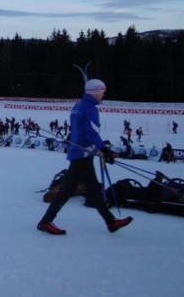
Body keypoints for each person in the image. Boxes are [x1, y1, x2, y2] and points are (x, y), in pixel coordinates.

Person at [37, 79, 133, 235]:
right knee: (73, 190)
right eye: (102, 91)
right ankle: (46, 222)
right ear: (96, 92)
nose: (103, 94)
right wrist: (104, 150)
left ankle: (110, 222)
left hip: (80, 153)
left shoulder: (78, 106)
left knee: (89, 190)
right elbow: (91, 132)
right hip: (82, 154)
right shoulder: (90, 109)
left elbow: (76, 128)